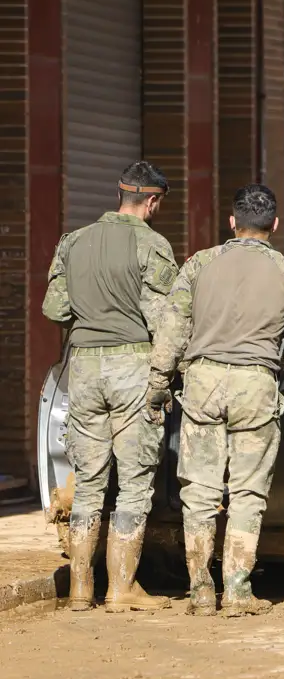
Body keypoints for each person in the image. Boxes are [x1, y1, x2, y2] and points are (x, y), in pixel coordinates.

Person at [146, 184, 284, 617]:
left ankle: (202, 590)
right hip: (255, 386)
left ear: (231, 222)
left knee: (199, 492)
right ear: (275, 225)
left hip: (202, 383)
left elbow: (170, 331)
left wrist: (157, 385)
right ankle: (238, 591)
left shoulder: (199, 265)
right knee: (247, 492)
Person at [42, 161, 177, 613]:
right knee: (135, 480)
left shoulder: (72, 243)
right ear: (152, 200)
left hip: (82, 368)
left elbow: (55, 310)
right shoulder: (152, 245)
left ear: (120, 193)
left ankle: (81, 589)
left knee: (89, 481)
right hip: (132, 367)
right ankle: (121, 588)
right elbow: (164, 322)